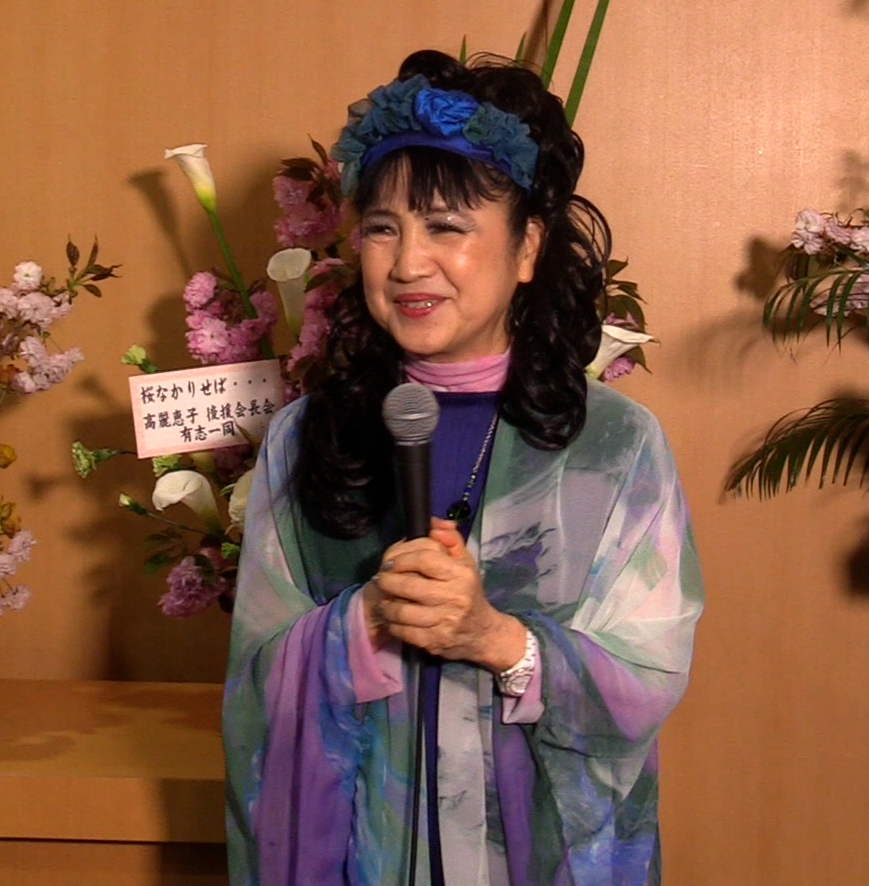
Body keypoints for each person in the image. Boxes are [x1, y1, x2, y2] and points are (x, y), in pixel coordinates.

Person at [223, 49, 703, 886]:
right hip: (363, 854)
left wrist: (496, 639)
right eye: (383, 228)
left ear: (527, 247)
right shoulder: (306, 438)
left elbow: (646, 675)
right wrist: (364, 621)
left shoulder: (612, 445)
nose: (408, 263)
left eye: (446, 227)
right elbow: (255, 681)